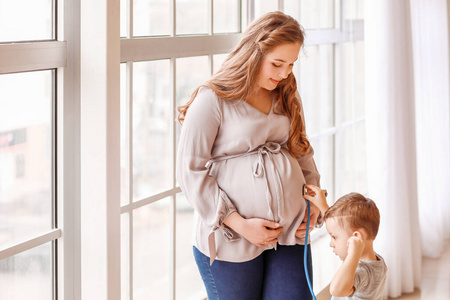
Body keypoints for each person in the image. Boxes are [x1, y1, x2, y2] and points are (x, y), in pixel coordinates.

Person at [177, 11, 322, 300]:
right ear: (253, 53)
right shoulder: (213, 99)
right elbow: (189, 171)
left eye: (291, 65)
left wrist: (315, 204)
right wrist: (240, 224)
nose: (283, 74)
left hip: (290, 230)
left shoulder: (286, 94)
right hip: (232, 236)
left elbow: (301, 152)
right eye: (277, 63)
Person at [303, 185, 387, 300]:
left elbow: (335, 290)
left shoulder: (363, 272)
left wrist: (353, 254)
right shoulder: (377, 261)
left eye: (334, 237)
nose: (331, 244)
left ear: (356, 238)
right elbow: (339, 228)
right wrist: (322, 205)